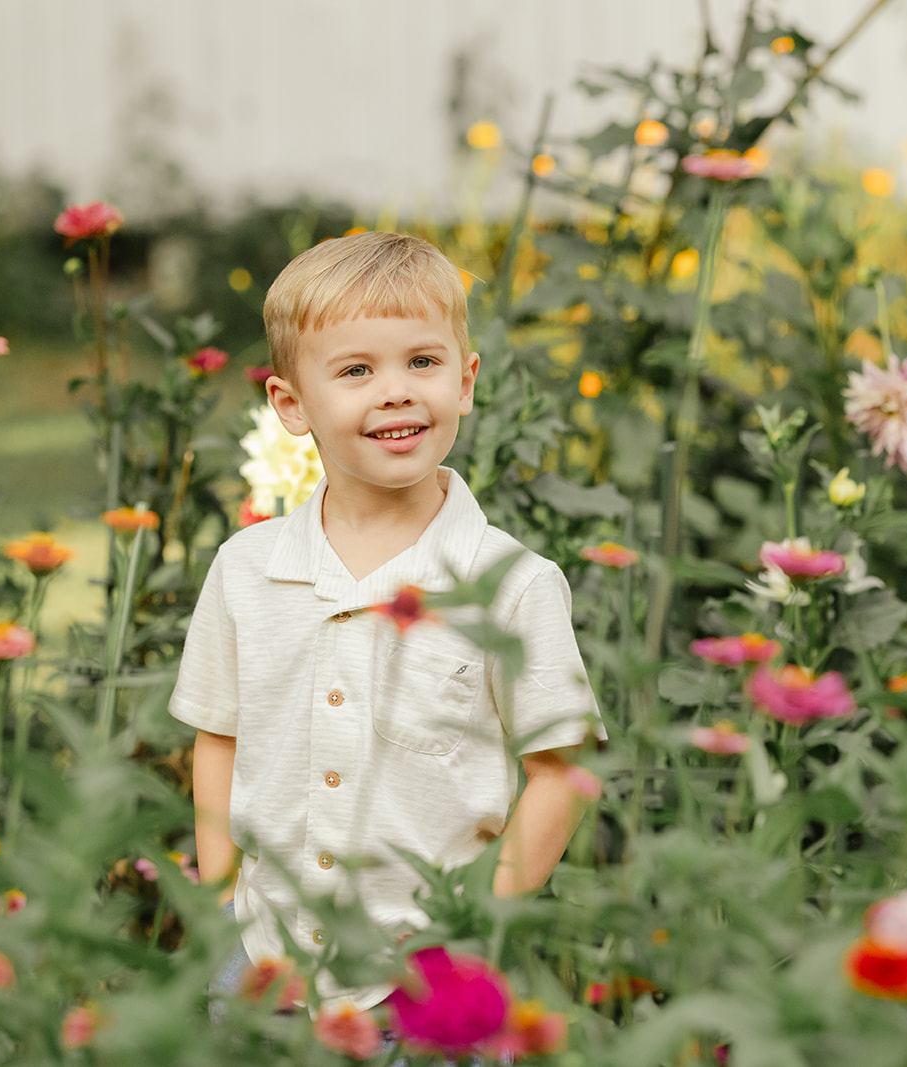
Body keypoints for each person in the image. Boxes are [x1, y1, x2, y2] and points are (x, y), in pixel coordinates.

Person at [169, 230, 606, 1010]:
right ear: (291, 404)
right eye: (358, 370)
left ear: (466, 382)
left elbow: (560, 772)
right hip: (263, 967)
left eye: (423, 362)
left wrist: (476, 925)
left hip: (426, 982)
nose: (397, 390)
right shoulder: (246, 569)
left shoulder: (511, 585)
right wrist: (219, 905)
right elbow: (220, 736)